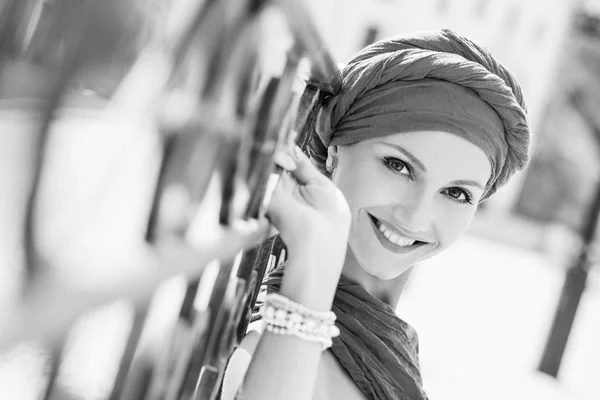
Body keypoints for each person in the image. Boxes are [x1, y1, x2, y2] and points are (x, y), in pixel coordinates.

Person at [220, 29, 531, 400]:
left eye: (456, 193)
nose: (415, 216)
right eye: (398, 166)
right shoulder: (278, 346)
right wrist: (312, 268)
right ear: (335, 149)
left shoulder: (390, 344)